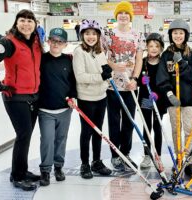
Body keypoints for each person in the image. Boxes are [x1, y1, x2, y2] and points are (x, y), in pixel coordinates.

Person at [0, 9, 43, 191]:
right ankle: (17, 176)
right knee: (23, 135)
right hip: (15, 98)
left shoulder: (36, 42)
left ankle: (22, 171)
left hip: (33, 96)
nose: (26, 24)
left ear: (35, 24)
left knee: (26, 135)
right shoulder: (8, 42)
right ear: (16, 23)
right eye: (22, 20)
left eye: (30, 20)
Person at [102, 1, 146, 171]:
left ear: (130, 16)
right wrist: (113, 66)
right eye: (120, 13)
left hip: (130, 86)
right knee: (114, 122)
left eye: (126, 13)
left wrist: (135, 79)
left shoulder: (138, 35)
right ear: (116, 16)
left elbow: (139, 59)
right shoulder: (108, 34)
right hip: (112, 87)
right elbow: (101, 56)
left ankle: (125, 153)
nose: (123, 16)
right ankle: (115, 156)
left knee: (129, 122)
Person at [73, 19, 112, 179]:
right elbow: (80, 77)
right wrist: (101, 76)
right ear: (82, 35)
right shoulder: (79, 51)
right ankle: (85, 164)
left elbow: (106, 74)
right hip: (86, 98)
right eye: (87, 34)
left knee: (98, 131)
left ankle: (96, 161)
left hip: (101, 97)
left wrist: (108, 74)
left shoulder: (99, 51)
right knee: (87, 132)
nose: (91, 37)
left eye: (94, 34)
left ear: (98, 36)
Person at [156, 19, 192, 172]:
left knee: (189, 130)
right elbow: (162, 77)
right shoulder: (166, 55)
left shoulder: (191, 54)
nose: (178, 36)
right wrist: (169, 93)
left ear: (185, 35)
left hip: (188, 100)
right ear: (170, 35)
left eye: (181, 33)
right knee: (176, 131)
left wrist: (182, 63)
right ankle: (179, 159)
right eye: (175, 33)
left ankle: (188, 161)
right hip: (173, 100)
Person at [38, 28, 77, 186]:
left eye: (60, 41)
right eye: (53, 40)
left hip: (64, 109)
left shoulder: (68, 60)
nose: (56, 44)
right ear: (48, 41)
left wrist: (73, 97)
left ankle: (58, 167)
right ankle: (45, 170)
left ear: (65, 44)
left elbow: (73, 82)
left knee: (61, 139)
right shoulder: (41, 59)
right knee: (47, 140)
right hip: (45, 109)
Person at [138, 33, 167, 168]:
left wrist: (158, 94)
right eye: (150, 46)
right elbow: (136, 79)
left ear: (161, 48)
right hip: (146, 99)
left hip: (158, 100)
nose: (154, 48)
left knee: (157, 126)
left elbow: (166, 82)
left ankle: (158, 155)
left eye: (157, 46)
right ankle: (147, 155)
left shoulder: (164, 63)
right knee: (147, 127)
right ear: (147, 48)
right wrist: (141, 82)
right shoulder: (143, 62)